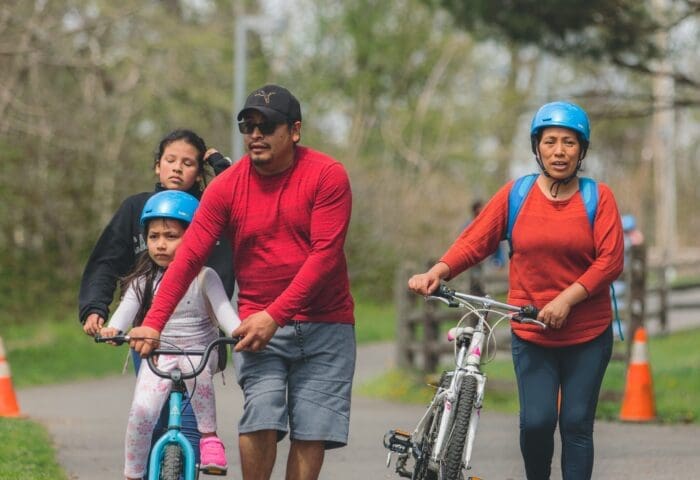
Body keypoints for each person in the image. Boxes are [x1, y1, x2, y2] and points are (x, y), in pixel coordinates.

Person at [129, 84, 355, 480]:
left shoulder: (327, 176)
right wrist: (155, 320)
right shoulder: (226, 187)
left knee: (311, 431)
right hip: (257, 326)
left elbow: (324, 256)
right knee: (260, 416)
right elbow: (189, 258)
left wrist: (277, 315)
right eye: (248, 126)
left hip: (326, 323)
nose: (255, 134)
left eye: (267, 126)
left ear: (295, 130)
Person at [408, 101, 624, 480]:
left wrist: (566, 299)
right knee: (537, 423)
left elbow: (610, 261)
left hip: (587, 335)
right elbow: (475, 241)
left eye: (570, 143)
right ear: (537, 147)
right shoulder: (517, 194)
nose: (560, 151)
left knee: (575, 425)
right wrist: (438, 271)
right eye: (551, 141)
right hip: (532, 331)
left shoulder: (598, 197)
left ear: (582, 150)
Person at [78, 128, 234, 467]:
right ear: (157, 166)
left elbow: (244, 197)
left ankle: (193, 459)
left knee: (193, 419)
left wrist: (221, 167)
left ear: (199, 170)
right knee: (151, 416)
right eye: (170, 160)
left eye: (189, 162)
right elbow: (107, 260)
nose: (177, 168)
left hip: (200, 336)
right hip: (149, 335)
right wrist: (95, 308)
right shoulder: (136, 208)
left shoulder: (215, 211)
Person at [100, 190, 241, 480]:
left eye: (171, 236)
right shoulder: (143, 280)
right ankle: (133, 473)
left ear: (194, 237)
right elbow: (126, 312)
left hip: (200, 351)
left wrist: (239, 333)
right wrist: (113, 329)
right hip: (159, 354)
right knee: (141, 413)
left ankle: (210, 438)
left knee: (199, 381)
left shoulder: (205, 276)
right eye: (154, 237)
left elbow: (225, 312)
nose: (160, 244)